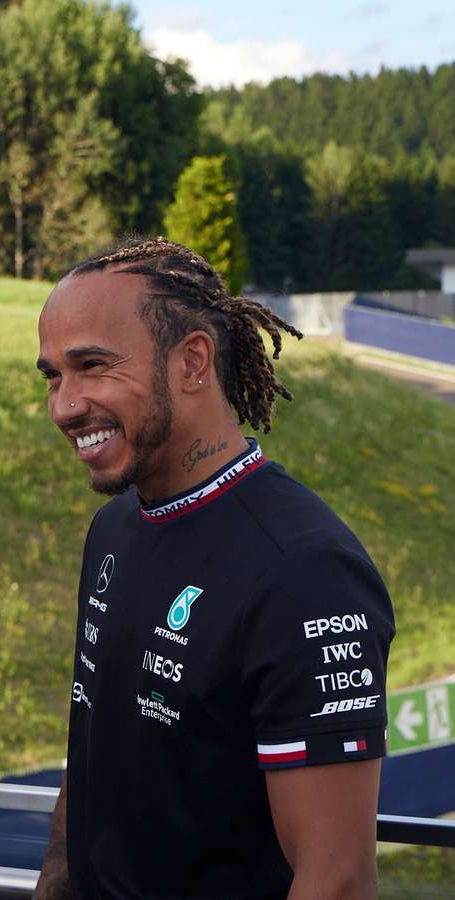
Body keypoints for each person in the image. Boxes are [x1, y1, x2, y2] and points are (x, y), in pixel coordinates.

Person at [32, 237, 394, 900]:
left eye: (92, 366)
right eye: (53, 376)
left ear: (192, 361)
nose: (64, 405)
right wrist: (54, 881)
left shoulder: (306, 572)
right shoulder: (114, 529)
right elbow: (92, 748)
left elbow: (338, 879)